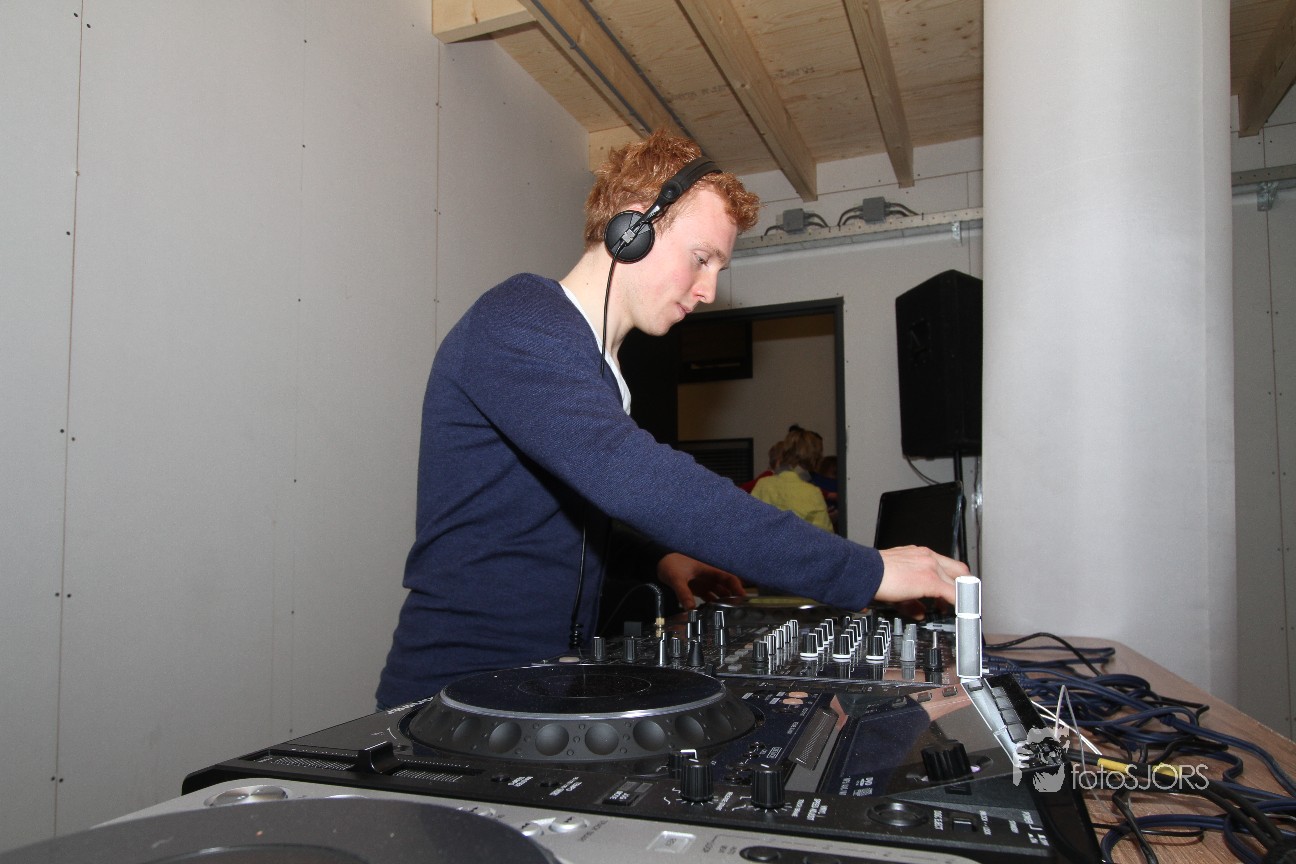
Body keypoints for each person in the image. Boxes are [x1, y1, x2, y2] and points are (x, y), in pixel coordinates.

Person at [375, 131, 967, 709]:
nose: (708, 290)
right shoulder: (520, 318)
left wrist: (658, 559)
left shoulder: (597, 363)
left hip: (532, 685)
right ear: (632, 230)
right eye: (702, 259)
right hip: (453, 693)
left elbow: (553, 519)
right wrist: (865, 570)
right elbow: (637, 479)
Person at [750, 426, 833, 531]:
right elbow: (824, 536)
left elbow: (750, 523)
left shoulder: (763, 484)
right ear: (814, 459)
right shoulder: (813, 493)